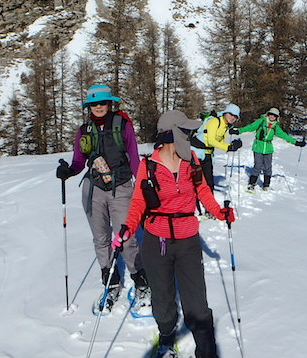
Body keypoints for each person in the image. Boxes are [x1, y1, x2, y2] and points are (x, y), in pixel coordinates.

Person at [113, 110, 235, 358]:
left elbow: (203, 192)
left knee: (197, 304)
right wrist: (127, 228)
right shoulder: (148, 166)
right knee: (164, 301)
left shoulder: (191, 160)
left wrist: (220, 212)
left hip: (188, 240)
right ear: (171, 134)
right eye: (186, 131)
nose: (191, 135)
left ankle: (206, 351)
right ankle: (167, 337)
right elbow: (138, 203)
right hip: (157, 242)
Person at [55, 84, 149, 303]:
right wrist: (68, 171)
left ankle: (140, 278)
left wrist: (143, 183)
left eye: (102, 103)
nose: (98, 107)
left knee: (125, 237)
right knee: (100, 238)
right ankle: (110, 278)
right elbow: (79, 161)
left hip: (122, 185)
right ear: (89, 106)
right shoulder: (84, 130)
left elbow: (134, 156)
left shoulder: (122, 125)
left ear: (110, 104)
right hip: (94, 188)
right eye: (94, 104)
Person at [231, 107, 305, 191]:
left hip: (268, 148)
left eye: (274, 115)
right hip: (258, 146)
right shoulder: (261, 121)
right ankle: (251, 184)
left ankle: (266, 185)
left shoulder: (275, 126)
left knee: (268, 167)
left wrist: (296, 142)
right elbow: (250, 127)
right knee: (257, 166)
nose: (272, 116)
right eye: (271, 114)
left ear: (277, 117)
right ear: (268, 114)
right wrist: (238, 131)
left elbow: (284, 136)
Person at [191, 104, 242, 197]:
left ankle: (209, 205)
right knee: (196, 180)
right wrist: (228, 147)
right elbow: (211, 140)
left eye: (235, 117)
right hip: (196, 153)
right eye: (231, 114)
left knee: (209, 181)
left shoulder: (225, 126)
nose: (232, 118)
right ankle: (194, 204)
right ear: (225, 112)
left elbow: (220, 142)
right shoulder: (214, 121)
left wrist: (232, 146)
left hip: (208, 154)